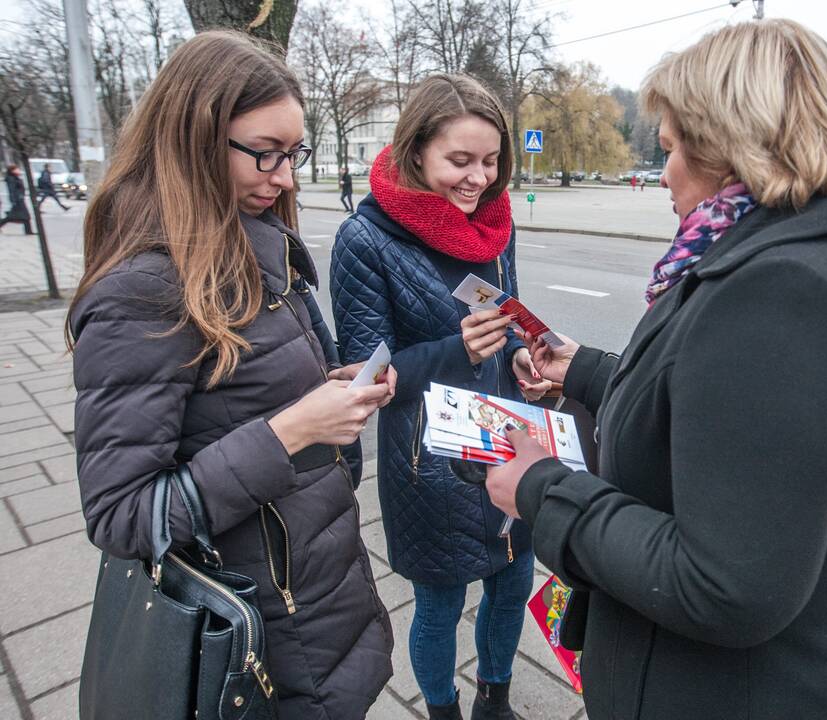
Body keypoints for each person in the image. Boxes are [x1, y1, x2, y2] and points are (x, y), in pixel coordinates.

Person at [485, 19, 827, 720]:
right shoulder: (771, 251)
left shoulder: (783, 293)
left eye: (675, 148)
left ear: (729, 144)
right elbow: (709, 406)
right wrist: (583, 369)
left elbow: (726, 586)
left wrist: (542, 490)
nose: (664, 173)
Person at [66, 31, 393, 719]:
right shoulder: (142, 292)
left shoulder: (260, 245)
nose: (286, 176)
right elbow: (124, 517)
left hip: (319, 600)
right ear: (192, 140)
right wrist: (291, 431)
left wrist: (336, 394)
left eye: (293, 152)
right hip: (259, 642)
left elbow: (251, 396)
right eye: (265, 154)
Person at [331, 73, 549, 720]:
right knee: (441, 605)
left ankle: (496, 700)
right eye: (460, 160)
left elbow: (505, 312)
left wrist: (520, 353)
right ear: (416, 149)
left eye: (490, 161)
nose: (478, 178)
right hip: (428, 462)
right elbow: (365, 379)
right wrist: (459, 350)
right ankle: (443, 710)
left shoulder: (497, 225)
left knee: (513, 586)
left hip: (508, 439)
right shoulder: (364, 240)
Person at [0, 165, 32, 234]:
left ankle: (28, 231)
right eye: (17, 169)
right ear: (12, 171)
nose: (19, 170)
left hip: (19, 199)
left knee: (24, 216)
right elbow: (12, 190)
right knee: (13, 217)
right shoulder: (11, 179)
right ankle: (28, 231)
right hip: (17, 199)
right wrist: (14, 200)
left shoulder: (15, 178)